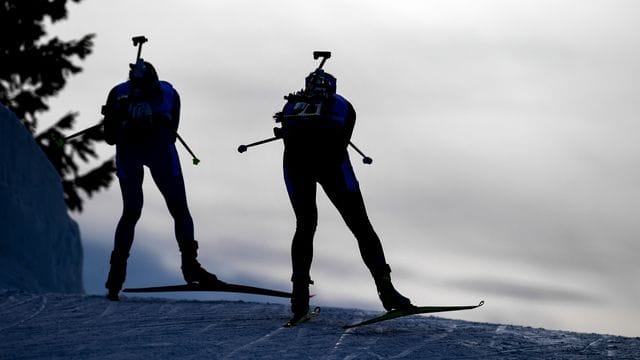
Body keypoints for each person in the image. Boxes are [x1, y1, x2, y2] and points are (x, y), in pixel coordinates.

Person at [276, 64, 413, 321]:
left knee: (305, 226)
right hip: (333, 168)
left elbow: (286, 137)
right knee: (361, 227)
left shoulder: (290, 105)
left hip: (296, 166)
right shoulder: (342, 105)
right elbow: (343, 139)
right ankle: (387, 291)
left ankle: (299, 298)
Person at [101, 58, 219, 301]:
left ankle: (116, 276)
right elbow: (172, 131)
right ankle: (191, 267)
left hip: (131, 152)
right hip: (159, 152)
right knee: (178, 209)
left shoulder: (119, 93)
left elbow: (109, 136)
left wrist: (122, 120)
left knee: (131, 211)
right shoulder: (167, 92)